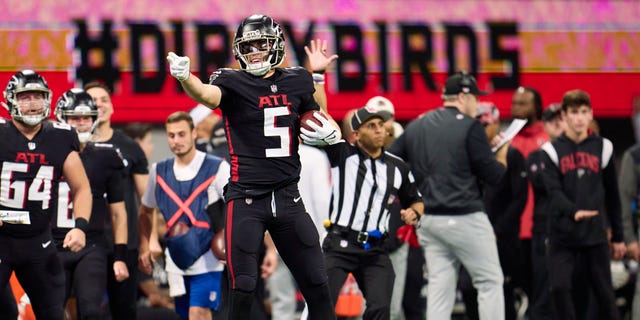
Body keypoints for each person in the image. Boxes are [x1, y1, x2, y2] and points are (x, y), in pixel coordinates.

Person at [166, 14, 340, 320]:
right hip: (247, 198)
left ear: (277, 46)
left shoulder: (298, 79)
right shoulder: (231, 80)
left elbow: (320, 114)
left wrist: (319, 77)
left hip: (289, 197)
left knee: (318, 284)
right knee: (244, 287)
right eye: (249, 46)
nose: (255, 51)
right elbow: (207, 95)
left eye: (261, 43)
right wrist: (186, 78)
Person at [388, 71, 508, 320]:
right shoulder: (470, 125)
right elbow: (494, 175)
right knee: (489, 281)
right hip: (464, 217)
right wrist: (502, 154)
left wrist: (411, 194)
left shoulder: (418, 124)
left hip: (429, 221)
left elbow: (390, 161)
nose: (478, 103)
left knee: (440, 287)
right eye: (476, 97)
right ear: (464, 97)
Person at [0, 70, 92, 319]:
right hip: (1, 238)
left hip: (38, 241)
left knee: (52, 312)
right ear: (10, 100)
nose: (32, 103)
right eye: (25, 97)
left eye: (37, 96)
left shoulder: (60, 137)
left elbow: (81, 187)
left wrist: (81, 226)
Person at [317, 105, 424, 319]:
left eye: (381, 125)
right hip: (340, 246)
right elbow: (322, 114)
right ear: (356, 135)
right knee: (322, 306)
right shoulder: (342, 154)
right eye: (371, 125)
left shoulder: (398, 167)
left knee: (381, 308)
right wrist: (318, 77)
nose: (378, 130)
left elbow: (415, 199)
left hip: (375, 251)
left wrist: (415, 213)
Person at [540, 89, 626, 320]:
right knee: (560, 289)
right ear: (565, 116)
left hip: (594, 237)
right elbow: (553, 192)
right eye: (574, 112)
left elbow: (613, 196)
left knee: (605, 296)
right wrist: (573, 211)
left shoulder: (604, 147)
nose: (579, 117)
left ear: (591, 115)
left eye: (584, 112)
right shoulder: (550, 151)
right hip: (562, 237)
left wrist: (618, 236)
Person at [138, 111, 229, 319]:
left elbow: (240, 207)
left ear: (194, 133)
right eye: (171, 135)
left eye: (181, 134)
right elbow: (145, 210)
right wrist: (147, 244)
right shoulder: (159, 171)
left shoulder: (217, 167)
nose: (176, 141)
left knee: (199, 313)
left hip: (208, 258)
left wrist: (233, 242)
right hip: (176, 259)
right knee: (184, 314)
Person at [52, 88, 130, 319]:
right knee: (50, 311)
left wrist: (120, 256)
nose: (82, 123)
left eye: (86, 118)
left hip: (91, 244)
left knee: (90, 310)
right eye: (75, 118)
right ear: (62, 118)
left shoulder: (107, 156)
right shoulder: (47, 152)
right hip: (50, 245)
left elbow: (119, 213)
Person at [85, 81, 149, 319]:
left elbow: (146, 202)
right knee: (84, 309)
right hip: (86, 242)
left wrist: (147, 242)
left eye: (104, 100)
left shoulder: (129, 147)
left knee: (124, 311)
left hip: (125, 243)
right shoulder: (72, 145)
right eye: (93, 101)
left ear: (112, 107)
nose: (99, 105)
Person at [459, 102, 528, 320]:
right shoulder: (468, 154)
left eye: (484, 124)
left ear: (496, 123)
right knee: (469, 289)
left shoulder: (512, 155)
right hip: (473, 232)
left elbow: (519, 198)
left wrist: (498, 229)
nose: (479, 129)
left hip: (502, 237)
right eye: (476, 124)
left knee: (502, 290)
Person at [525, 103, 565, 320]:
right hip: (544, 227)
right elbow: (543, 185)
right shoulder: (536, 157)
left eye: (561, 119)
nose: (558, 124)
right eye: (552, 120)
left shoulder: (582, 153)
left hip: (573, 228)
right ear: (544, 125)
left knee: (570, 287)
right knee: (543, 286)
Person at [510, 86, 548, 301]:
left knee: (541, 294)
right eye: (514, 103)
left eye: (523, 103)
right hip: (513, 231)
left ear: (537, 107)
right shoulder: (506, 140)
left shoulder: (549, 139)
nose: (517, 108)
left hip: (540, 229)